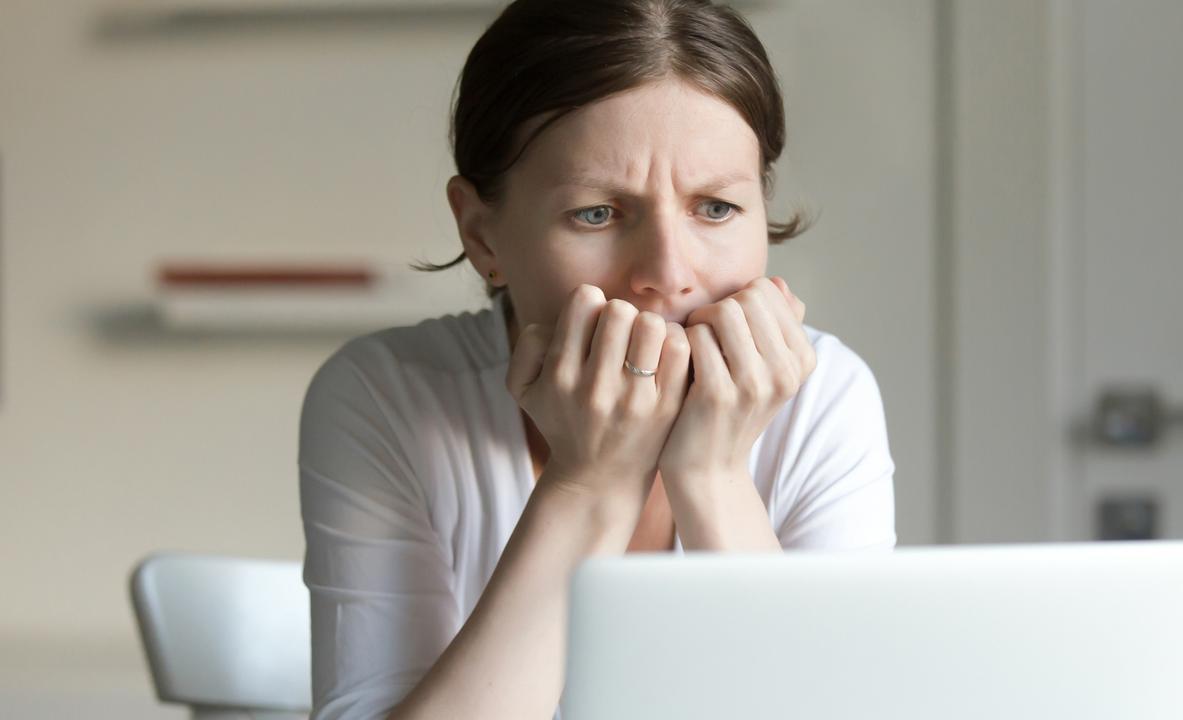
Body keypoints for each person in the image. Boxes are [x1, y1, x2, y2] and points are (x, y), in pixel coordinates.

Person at [298, 1, 896, 718]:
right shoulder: (384, 396)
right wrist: (589, 485)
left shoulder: (825, 400)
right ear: (482, 236)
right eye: (597, 214)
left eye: (714, 208)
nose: (668, 273)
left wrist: (712, 477)